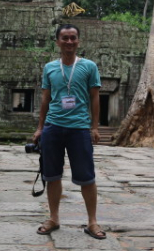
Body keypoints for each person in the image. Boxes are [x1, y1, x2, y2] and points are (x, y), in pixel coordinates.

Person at [32, 24, 105, 239]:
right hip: (53, 127)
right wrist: (40, 128)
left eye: (73, 38)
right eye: (65, 38)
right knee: (52, 175)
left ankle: (92, 222)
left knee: (87, 177)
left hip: (80, 128)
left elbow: (94, 97)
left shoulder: (89, 66)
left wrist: (94, 126)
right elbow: (46, 99)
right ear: (57, 42)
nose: (69, 42)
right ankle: (53, 218)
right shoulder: (50, 68)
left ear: (78, 41)